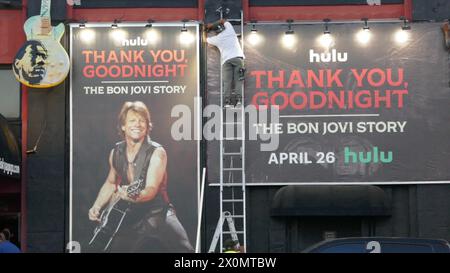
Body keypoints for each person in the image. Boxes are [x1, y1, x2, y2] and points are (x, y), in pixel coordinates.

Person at [88, 101, 194, 252]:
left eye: (142, 120)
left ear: (147, 126)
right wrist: (97, 206)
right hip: (129, 213)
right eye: (132, 120)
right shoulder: (116, 152)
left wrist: (131, 196)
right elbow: (111, 183)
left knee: (185, 250)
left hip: (157, 211)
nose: (137, 124)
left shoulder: (157, 152)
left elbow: (151, 189)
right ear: (123, 126)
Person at [206, 19, 245, 107]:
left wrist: (207, 28)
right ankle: (239, 101)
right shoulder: (230, 30)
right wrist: (213, 23)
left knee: (227, 82)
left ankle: (227, 102)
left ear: (216, 32)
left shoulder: (216, 39)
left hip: (226, 61)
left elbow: (205, 40)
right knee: (238, 80)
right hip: (238, 58)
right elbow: (223, 20)